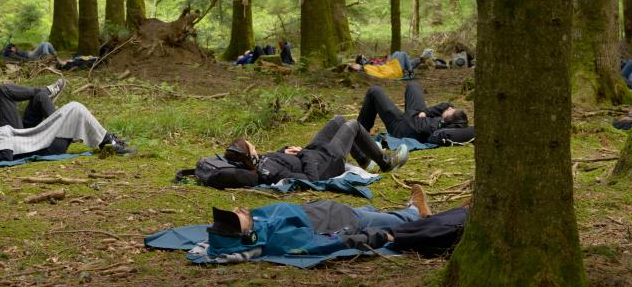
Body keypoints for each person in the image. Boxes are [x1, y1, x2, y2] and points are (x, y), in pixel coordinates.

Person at [196, 185, 431, 262]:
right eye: (238, 215)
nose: (239, 209)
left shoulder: (258, 225)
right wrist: (380, 237)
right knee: (398, 220)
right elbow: (331, 243)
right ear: (247, 233)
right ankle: (415, 212)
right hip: (346, 221)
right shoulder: (285, 240)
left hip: (330, 211)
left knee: (374, 212)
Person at [223, 115, 410, 186]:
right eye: (252, 147)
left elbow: (279, 159)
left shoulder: (261, 162)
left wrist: (286, 150)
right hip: (327, 162)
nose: (256, 147)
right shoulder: (269, 172)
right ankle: (386, 163)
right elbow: (311, 179)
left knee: (338, 120)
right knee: (353, 125)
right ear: (250, 156)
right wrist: (303, 153)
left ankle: (364, 161)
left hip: (313, 153)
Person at [0, 101, 134, 161]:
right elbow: (8, 155)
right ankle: (109, 142)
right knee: (74, 109)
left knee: (74, 110)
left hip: (38, 138)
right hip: (45, 146)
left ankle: (108, 140)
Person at [357, 81, 472, 144]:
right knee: (413, 85)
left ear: (447, 119)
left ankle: (359, 133)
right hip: (416, 114)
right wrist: (425, 112)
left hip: (401, 125)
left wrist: (420, 114)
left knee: (374, 91)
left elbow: (414, 125)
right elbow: (446, 105)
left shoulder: (433, 128)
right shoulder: (443, 120)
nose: (449, 108)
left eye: (450, 111)